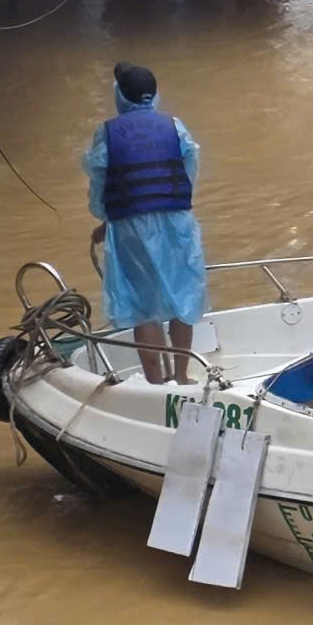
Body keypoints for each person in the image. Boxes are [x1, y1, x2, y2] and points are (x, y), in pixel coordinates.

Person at [83, 63, 207, 385]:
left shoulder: (107, 132)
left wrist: (107, 219)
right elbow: (188, 169)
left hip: (130, 228)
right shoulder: (175, 126)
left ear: (119, 95)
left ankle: (155, 382)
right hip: (177, 223)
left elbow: (99, 182)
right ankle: (182, 376)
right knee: (183, 297)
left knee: (142, 305)